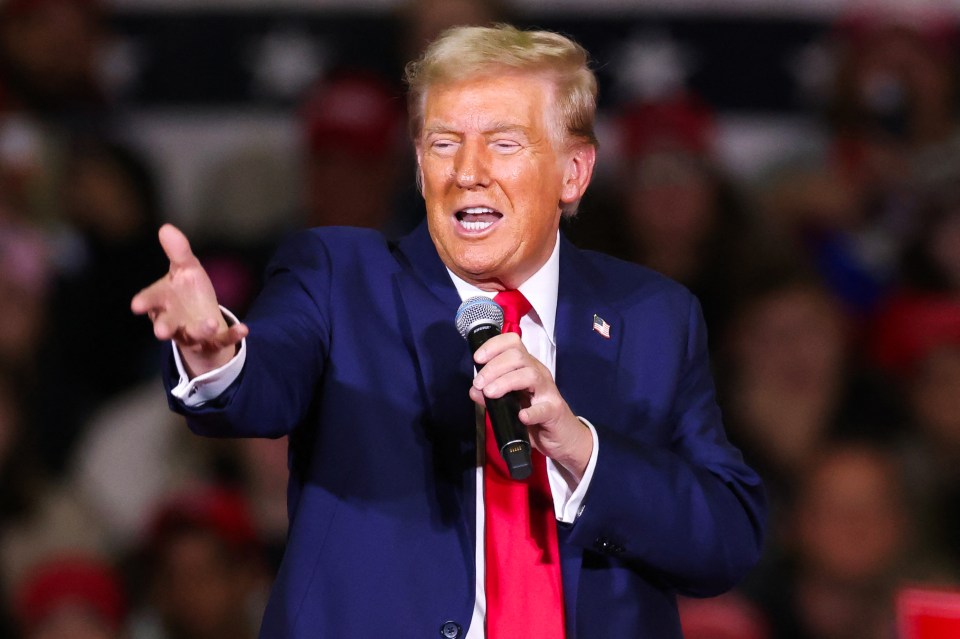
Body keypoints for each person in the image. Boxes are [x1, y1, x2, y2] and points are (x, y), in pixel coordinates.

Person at [131, 24, 766, 639]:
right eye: (443, 142)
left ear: (573, 173)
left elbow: (727, 538)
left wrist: (580, 450)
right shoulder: (343, 279)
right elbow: (261, 382)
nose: (467, 171)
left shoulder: (654, 316)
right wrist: (212, 352)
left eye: (504, 142)